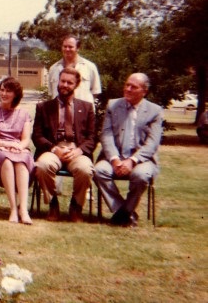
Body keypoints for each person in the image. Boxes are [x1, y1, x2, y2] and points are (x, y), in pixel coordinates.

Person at [94, 73, 162, 227]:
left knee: (141, 175)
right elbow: (106, 135)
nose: (128, 89)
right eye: (127, 85)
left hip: (141, 160)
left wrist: (132, 161)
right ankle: (124, 211)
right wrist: (115, 159)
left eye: (134, 87)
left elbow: (152, 143)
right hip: (114, 157)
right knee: (98, 170)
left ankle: (125, 212)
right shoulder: (113, 105)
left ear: (144, 91)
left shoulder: (155, 111)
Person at [32, 68, 96, 222]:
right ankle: (53, 203)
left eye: (69, 82)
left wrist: (79, 151)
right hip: (53, 150)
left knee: (85, 169)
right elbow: (37, 136)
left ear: (76, 85)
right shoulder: (44, 107)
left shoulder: (87, 108)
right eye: (62, 81)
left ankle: (76, 205)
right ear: (58, 82)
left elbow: (92, 137)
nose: (65, 85)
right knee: (42, 165)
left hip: (76, 151)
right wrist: (55, 149)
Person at [47, 34, 101, 197]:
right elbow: (52, 94)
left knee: (83, 151)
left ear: (78, 48)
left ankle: (85, 189)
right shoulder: (54, 69)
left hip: (82, 117)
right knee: (57, 147)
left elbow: (95, 92)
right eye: (65, 46)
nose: (67, 49)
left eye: (71, 46)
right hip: (60, 116)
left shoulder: (89, 67)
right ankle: (55, 189)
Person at [0, 76, 34, 225]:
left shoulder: (24, 114)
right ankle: (13, 209)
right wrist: (5, 144)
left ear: (16, 94)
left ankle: (23, 209)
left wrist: (19, 147)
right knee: (6, 160)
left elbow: (25, 139)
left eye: (8, 91)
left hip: (18, 149)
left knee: (22, 162)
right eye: (2, 90)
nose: (3, 94)